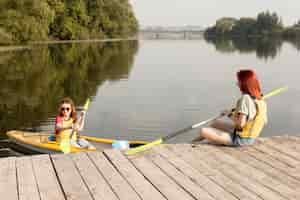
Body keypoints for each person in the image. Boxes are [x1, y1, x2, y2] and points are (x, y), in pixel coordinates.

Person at [193, 69, 267, 147]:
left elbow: (240, 124)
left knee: (203, 131)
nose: (237, 83)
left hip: (240, 140)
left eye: (239, 81)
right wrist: (233, 113)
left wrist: (229, 114)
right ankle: (192, 143)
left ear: (244, 83)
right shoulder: (260, 100)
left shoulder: (245, 98)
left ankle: (192, 143)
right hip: (250, 137)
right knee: (214, 124)